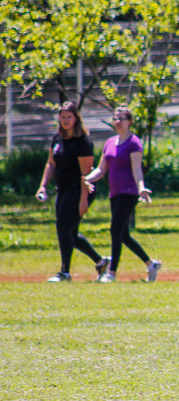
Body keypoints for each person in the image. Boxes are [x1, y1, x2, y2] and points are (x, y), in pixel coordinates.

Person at [83, 106, 162, 283]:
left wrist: (141, 187)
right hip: (115, 192)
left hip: (129, 192)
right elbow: (101, 169)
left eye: (121, 118)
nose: (118, 122)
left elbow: (137, 169)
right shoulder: (110, 142)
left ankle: (111, 272)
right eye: (115, 118)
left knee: (115, 229)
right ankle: (151, 264)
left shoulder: (134, 142)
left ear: (130, 121)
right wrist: (87, 179)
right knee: (123, 234)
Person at [35, 101, 109, 282]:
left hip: (80, 189)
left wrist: (84, 200)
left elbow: (86, 174)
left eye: (69, 116)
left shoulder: (82, 141)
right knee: (70, 232)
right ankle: (101, 262)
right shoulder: (57, 138)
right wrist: (43, 185)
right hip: (64, 188)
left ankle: (65, 272)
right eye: (63, 117)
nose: (66, 120)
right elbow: (51, 163)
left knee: (63, 227)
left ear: (76, 118)